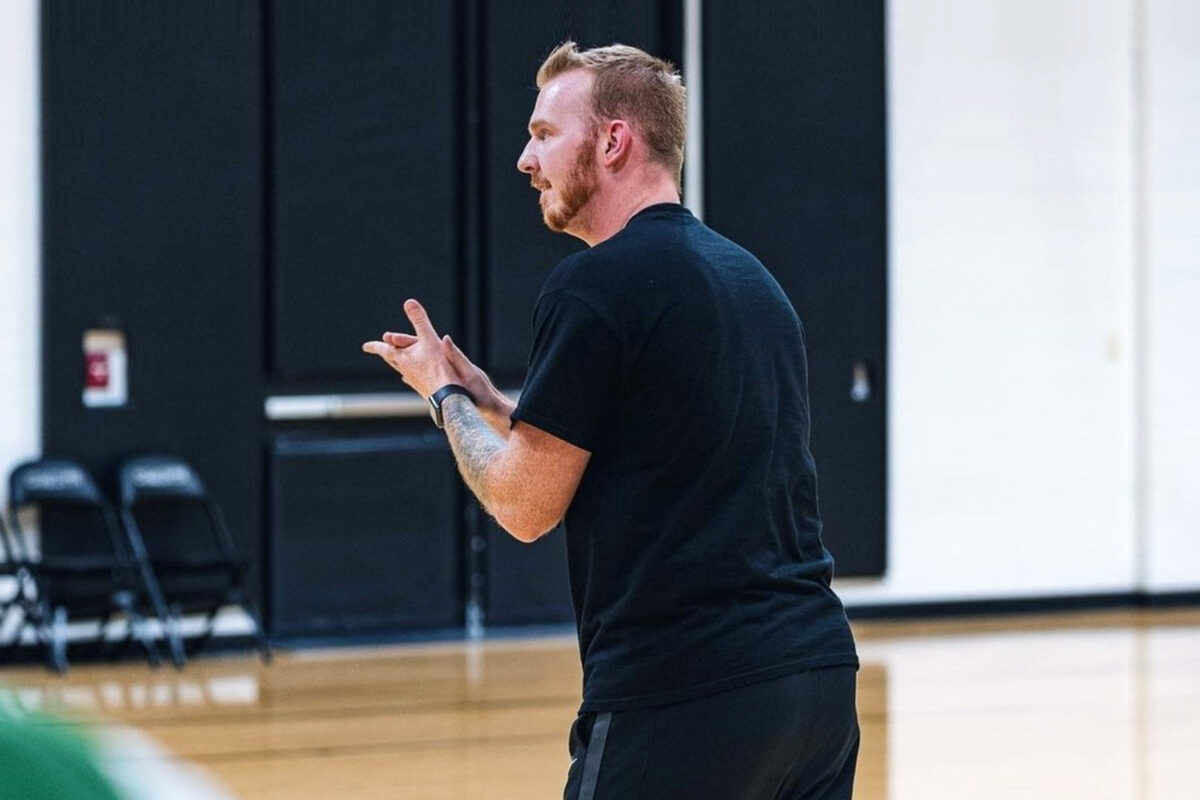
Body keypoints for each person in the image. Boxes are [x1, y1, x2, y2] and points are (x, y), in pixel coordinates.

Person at [364, 41, 860, 800]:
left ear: (614, 140)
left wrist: (445, 397)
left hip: (685, 698)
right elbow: (653, 442)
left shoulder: (594, 286)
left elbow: (524, 506)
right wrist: (497, 403)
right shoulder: (752, 281)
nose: (526, 161)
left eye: (543, 134)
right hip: (816, 688)